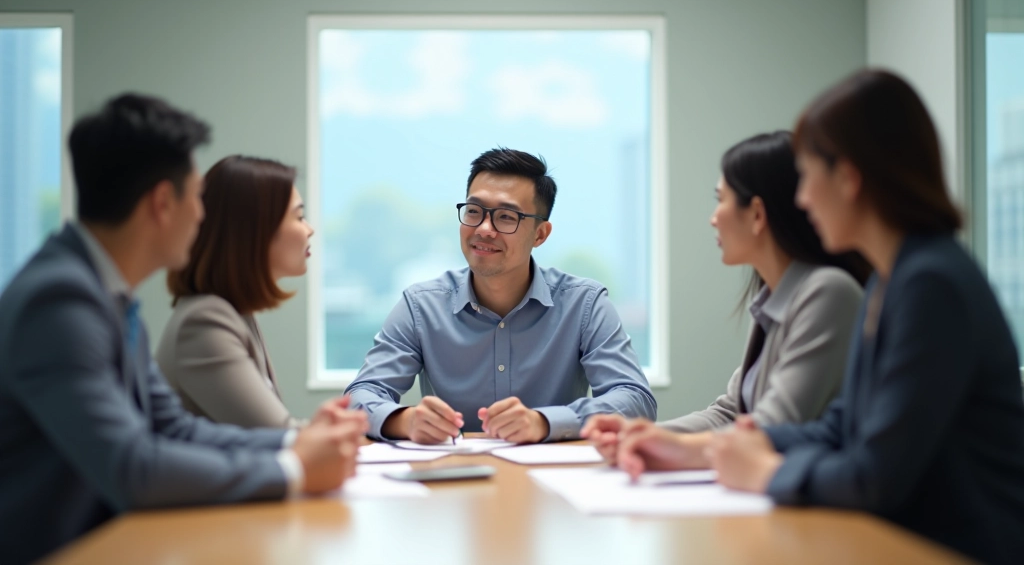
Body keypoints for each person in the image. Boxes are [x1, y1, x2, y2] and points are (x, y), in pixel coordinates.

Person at [616, 70, 1024, 565]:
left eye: (808, 177)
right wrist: (701, 451)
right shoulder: (890, 281)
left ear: (849, 179)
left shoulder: (929, 283)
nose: (803, 200)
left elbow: (875, 475)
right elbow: (841, 425)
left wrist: (763, 472)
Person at [0, 94, 366, 565]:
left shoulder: (107, 295)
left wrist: (296, 442)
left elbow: (171, 427)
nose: (202, 215)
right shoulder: (60, 302)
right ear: (161, 204)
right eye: (196, 196)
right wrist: (293, 467)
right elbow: (133, 467)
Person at [583, 132, 868, 467]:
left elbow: (770, 428)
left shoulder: (828, 293)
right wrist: (639, 434)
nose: (714, 217)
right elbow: (730, 412)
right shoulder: (773, 298)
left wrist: (665, 446)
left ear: (757, 215)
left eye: (721, 200)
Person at [345, 148, 657, 444]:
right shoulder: (421, 306)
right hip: (451, 479)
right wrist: (405, 421)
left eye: (506, 217)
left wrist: (545, 422)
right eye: (474, 211)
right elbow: (361, 396)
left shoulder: (584, 304)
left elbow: (635, 400)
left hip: (554, 482)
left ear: (540, 234)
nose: (483, 228)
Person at [157, 155, 314, 428]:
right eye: (299, 217)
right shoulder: (205, 322)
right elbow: (278, 436)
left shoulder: (234, 312)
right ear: (256, 231)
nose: (309, 229)